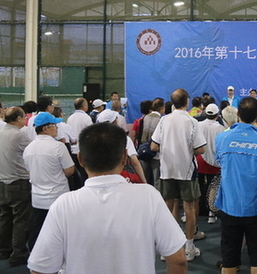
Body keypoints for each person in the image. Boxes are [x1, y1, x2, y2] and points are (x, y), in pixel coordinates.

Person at [27, 122, 187, 274]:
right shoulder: (149, 197)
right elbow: (178, 260)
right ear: (124, 157)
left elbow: (41, 269)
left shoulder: (64, 205)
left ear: (80, 159)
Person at [215, 97, 257, 274]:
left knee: (229, 257)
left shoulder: (222, 138)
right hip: (256, 208)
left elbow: (219, 161)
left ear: (238, 114)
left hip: (230, 207)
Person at [151, 88, 207, 261]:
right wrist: (184, 150)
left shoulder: (164, 120)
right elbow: (201, 149)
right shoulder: (192, 121)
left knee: (168, 208)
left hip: (166, 170)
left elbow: (153, 146)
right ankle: (189, 248)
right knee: (189, 208)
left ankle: (167, 249)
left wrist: (170, 148)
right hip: (186, 171)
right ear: (187, 101)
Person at [23, 112, 75, 250]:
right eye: (54, 125)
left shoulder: (28, 148)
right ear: (45, 128)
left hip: (37, 198)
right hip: (57, 197)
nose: (57, 128)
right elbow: (70, 171)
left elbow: (29, 172)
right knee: (59, 234)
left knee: (37, 232)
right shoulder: (58, 147)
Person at [0, 107, 31, 266]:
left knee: (4, 217)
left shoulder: (1, 132)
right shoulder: (19, 135)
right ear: (18, 118)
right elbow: (32, 150)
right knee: (21, 220)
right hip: (18, 181)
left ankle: (3, 250)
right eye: (23, 117)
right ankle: (18, 254)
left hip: (2, 181)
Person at [196, 103, 224, 224]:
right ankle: (211, 215)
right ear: (217, 115)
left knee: (197, 186)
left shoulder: (198, 125)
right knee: (213, 187)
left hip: (199, 160)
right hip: (215, 162)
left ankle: (193, 213)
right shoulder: (221, 128)